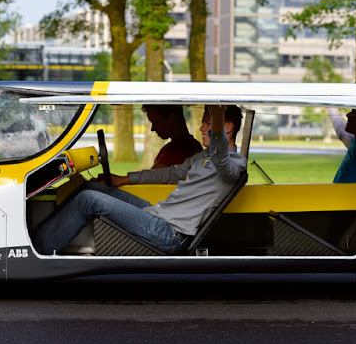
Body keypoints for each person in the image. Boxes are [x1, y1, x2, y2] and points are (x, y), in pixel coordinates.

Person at [34, 105, 246, 256]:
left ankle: (37, 250)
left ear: (226, 127)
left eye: (208, 124)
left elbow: (222, 157)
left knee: (88, 199)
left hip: (171, 233)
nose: (201, 129)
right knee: (90, 186)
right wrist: (124, 179)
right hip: (158, 214)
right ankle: (46, 236)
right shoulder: (203, 157)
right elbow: (169, 174)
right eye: (204, 123)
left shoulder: (234, 165)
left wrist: (216, 120)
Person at [142, 104, 203, 169]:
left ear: (172, 118)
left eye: (156, 122)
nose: (153, 128)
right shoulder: (195, 145)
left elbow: (151, 177)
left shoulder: (175, 151)